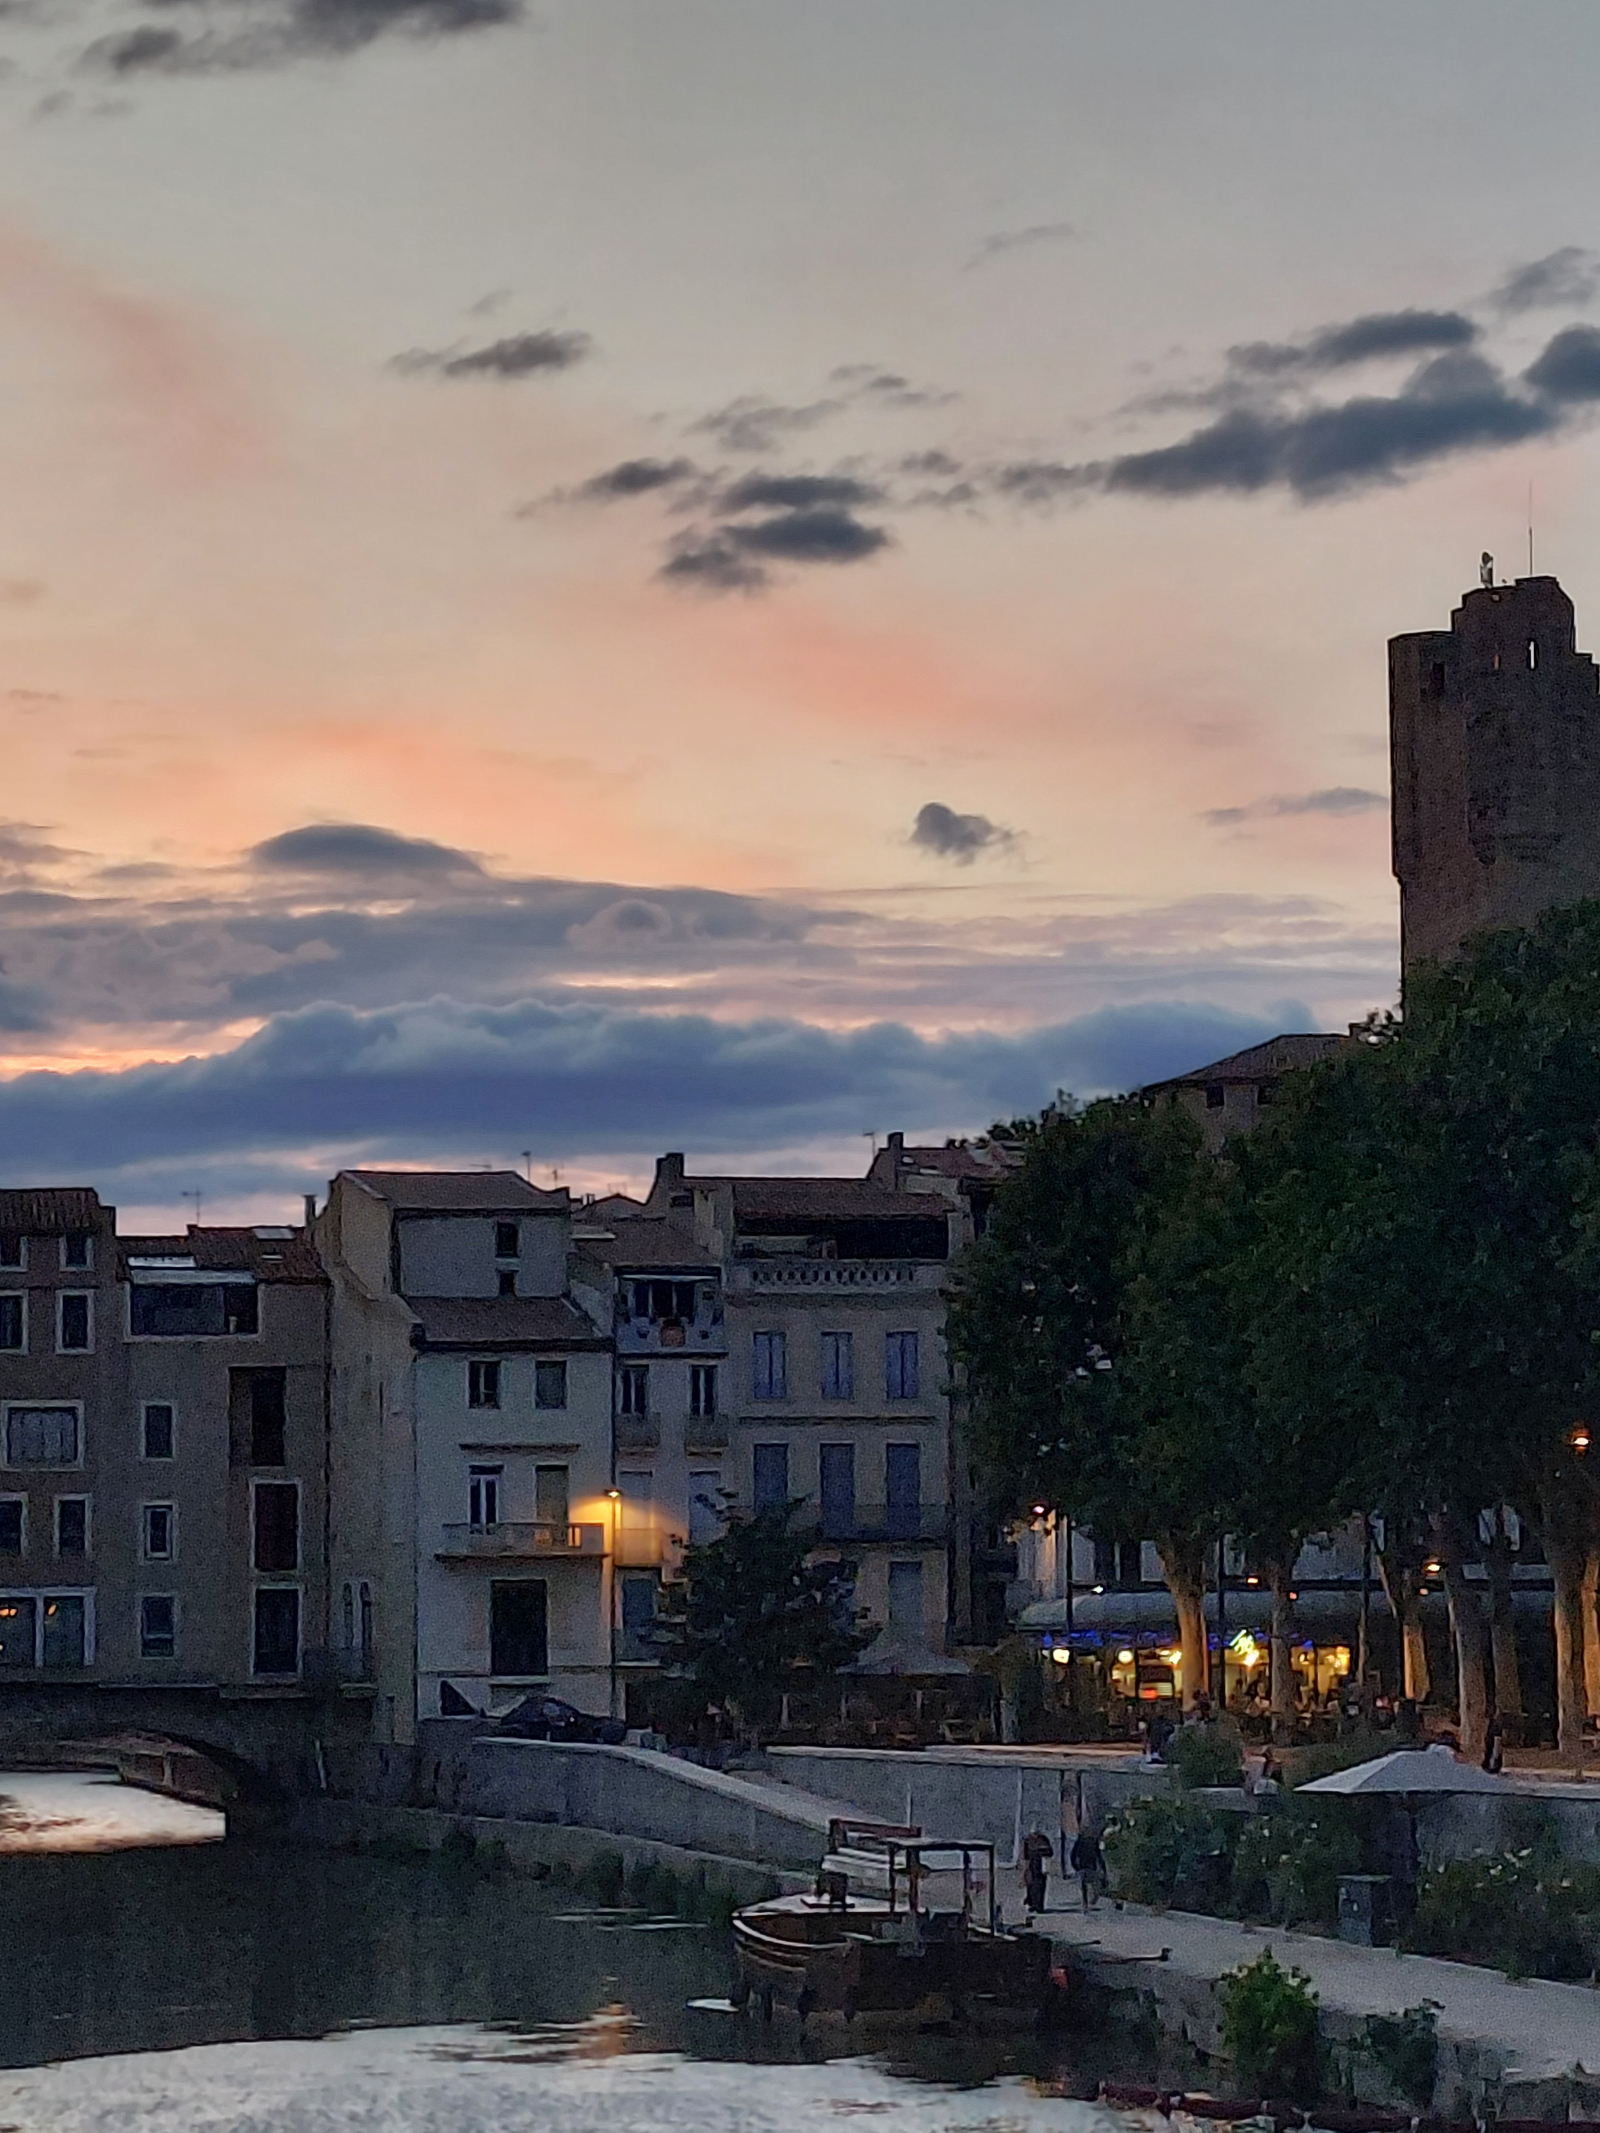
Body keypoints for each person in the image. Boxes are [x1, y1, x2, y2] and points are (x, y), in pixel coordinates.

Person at [1068, 1824, 1105, 1911]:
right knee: (1087, 1883)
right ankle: (1087, 1901)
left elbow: (1073, 1854)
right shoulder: (1086, 1842)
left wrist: (1074, 1865)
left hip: (1086, 1865)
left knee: (1087, 1884)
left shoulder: (1084, 1842)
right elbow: (1098, 1855)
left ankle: (1087, 1901)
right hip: (1086, 1865)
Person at [1021, 1828, 1054, 1916]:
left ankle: (1039, 1905)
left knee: (1039, 1885)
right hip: (1031, 1866)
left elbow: (1050, 1852)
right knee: (1031, 1885)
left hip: (1040, 1866)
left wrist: (1041, 1852)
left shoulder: (1043, 1839)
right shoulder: (1027, 1841)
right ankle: (1032, 1904)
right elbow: (1025, 1855)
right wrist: (1025, 1867)